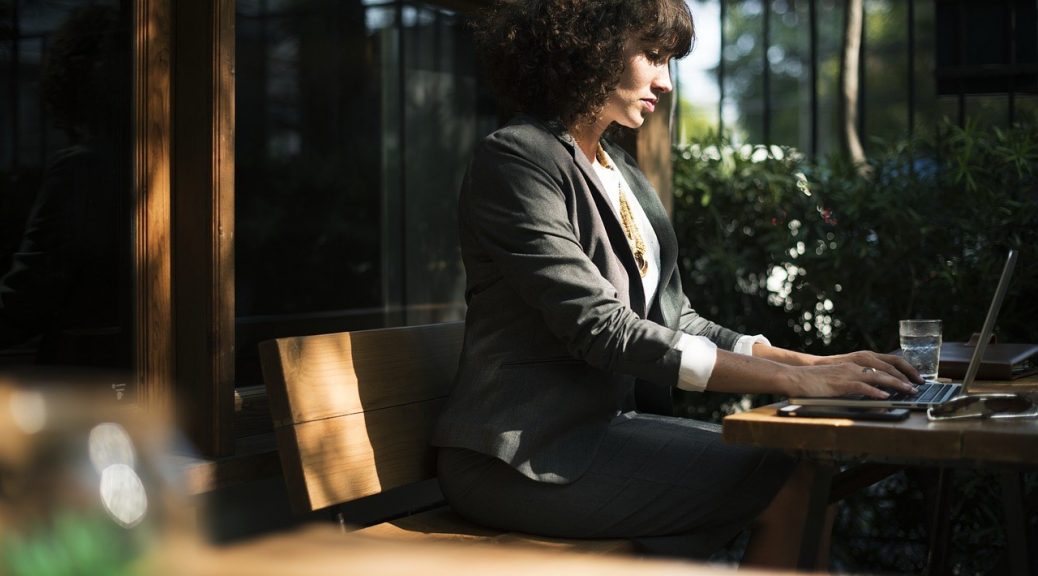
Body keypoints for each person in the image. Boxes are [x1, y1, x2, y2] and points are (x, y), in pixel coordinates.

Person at [431, 0, 921, 568]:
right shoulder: (516, 160)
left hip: (599, 437)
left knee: (806, 464)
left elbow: (676, 319)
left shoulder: (619, 171)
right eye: (654, 56)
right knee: (788, 475)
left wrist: (818, 366)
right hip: (519, 458)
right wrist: (791, 379)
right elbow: (602, 329)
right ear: (590, 44)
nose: (665, 82)